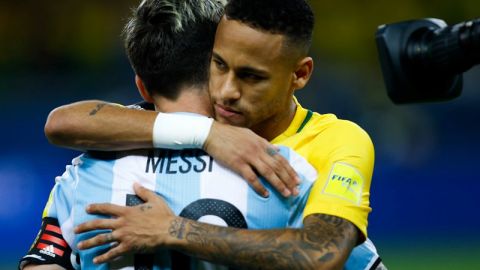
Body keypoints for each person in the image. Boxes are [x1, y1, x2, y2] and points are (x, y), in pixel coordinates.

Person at [23, 0, 385, 269]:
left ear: (301, 74)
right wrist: (206, 132)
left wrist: (174, 229)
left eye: (251, 76)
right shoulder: (160, 133)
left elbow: (320, 255)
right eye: (219, 65)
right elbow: (62, 123)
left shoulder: (334, 142)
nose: (227, 91)